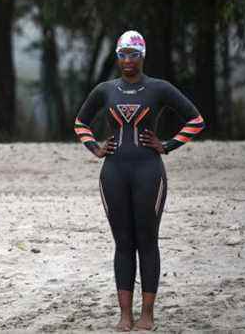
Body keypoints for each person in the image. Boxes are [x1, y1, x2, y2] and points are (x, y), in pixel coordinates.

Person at [74, 30, 204, 331]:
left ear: (142, 55)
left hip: (149, 173)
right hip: (113, 174)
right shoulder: (105, 89)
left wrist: (168, 145)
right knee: (123, 243)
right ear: (117, 57)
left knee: (147, 241)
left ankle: (147, 314)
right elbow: (81, 122)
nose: (128, 60)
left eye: (133, 54)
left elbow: (196, 120)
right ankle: (124, 315)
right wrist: (95, 148)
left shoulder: (159, 88)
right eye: (122, 54)